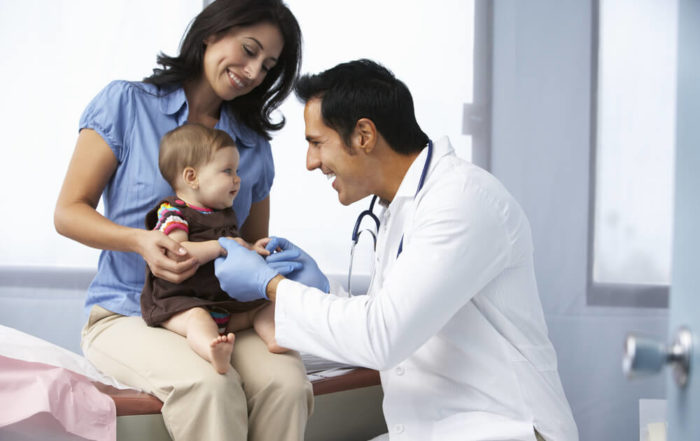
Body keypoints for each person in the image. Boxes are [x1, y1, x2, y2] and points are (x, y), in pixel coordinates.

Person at [214, 59, 580, 441]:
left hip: (505, 430)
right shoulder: (401, 208)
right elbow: (389, 319)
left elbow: (382, 337)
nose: (311, 162)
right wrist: (319, 290)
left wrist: (270, 285)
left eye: (317, 143)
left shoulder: (461, 200)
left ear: (364, 135)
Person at [53, 1, 312, 440]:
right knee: (211, 387)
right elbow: (68, 212)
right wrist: (140, 242)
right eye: (248, 50)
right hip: (128, 311)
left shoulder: (252, 147)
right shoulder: (126, 104)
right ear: (212, 32)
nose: (252, 72)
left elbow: (250, 249)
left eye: (267, 66)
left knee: (287, 385)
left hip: (224, 313)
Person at [141, 123, 288, 376]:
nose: (237, 179)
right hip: (180, 302)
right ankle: (212, 350)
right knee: (198, 320)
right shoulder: (173, 212)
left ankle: (273, 336)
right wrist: (221, 246)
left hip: (223, 303)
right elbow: (179, 250)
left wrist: (252, 248)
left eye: (237, 171)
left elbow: (234, 249)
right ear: (192, 177)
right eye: (227, 171)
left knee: (267, 304)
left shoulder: (223, 214)